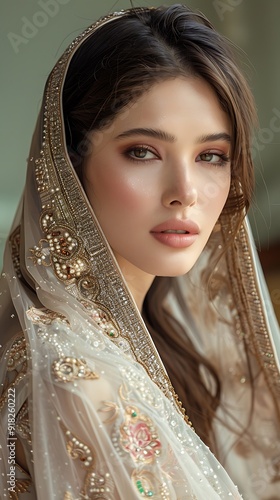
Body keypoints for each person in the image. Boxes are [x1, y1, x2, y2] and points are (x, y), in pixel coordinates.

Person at [0, 4, 279, 499]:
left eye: (211, 156)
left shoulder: (159, 338)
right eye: (143, 152)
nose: (185, 191)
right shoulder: (76, 382)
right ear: (68, 163)